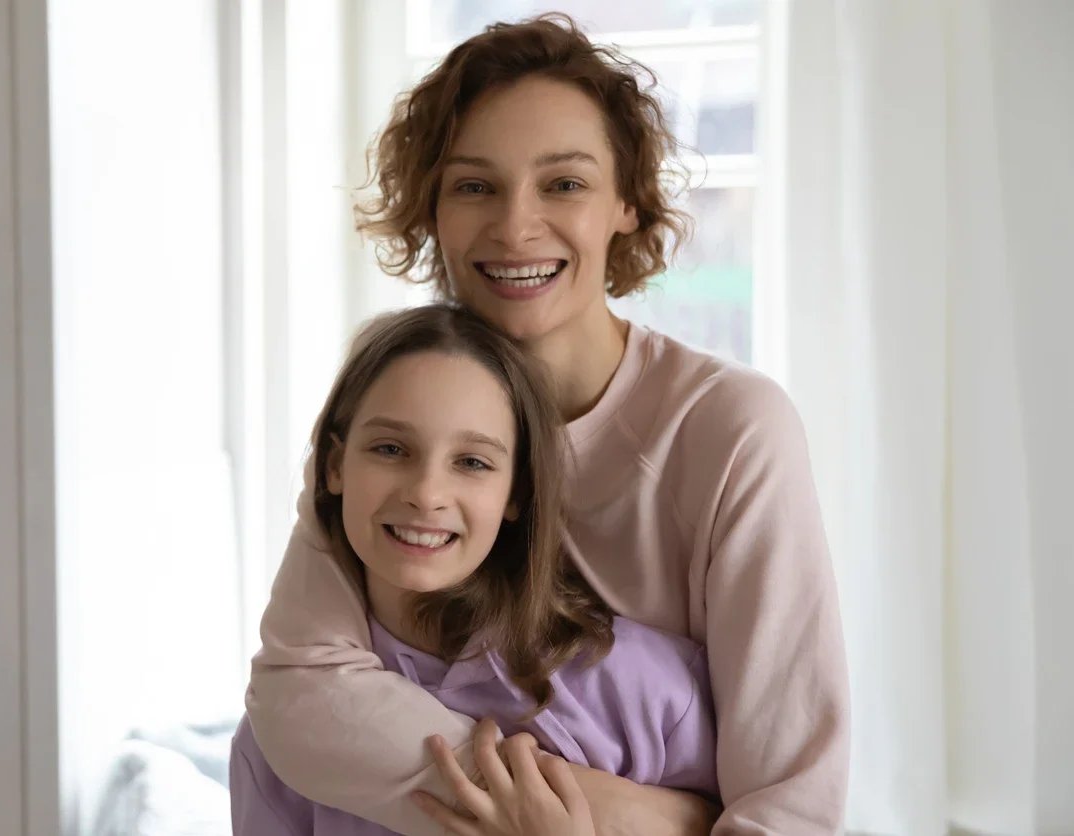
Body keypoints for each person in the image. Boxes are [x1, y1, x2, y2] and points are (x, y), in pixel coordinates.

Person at [246, 13, 849, 835]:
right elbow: (299, 692)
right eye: (473, 186)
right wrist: (638, 817)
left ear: (627, 202)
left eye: (563, 184)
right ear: (431, 209)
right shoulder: (403, 412)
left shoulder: (732, 429)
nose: (515, 227)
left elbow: (790, 804)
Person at [231, 304, 718, 835]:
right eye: (390, 449)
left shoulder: (636, 687)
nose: (426, 494)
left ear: (516, 493)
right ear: (333, 467)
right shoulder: (280, 744)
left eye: (472, 462)